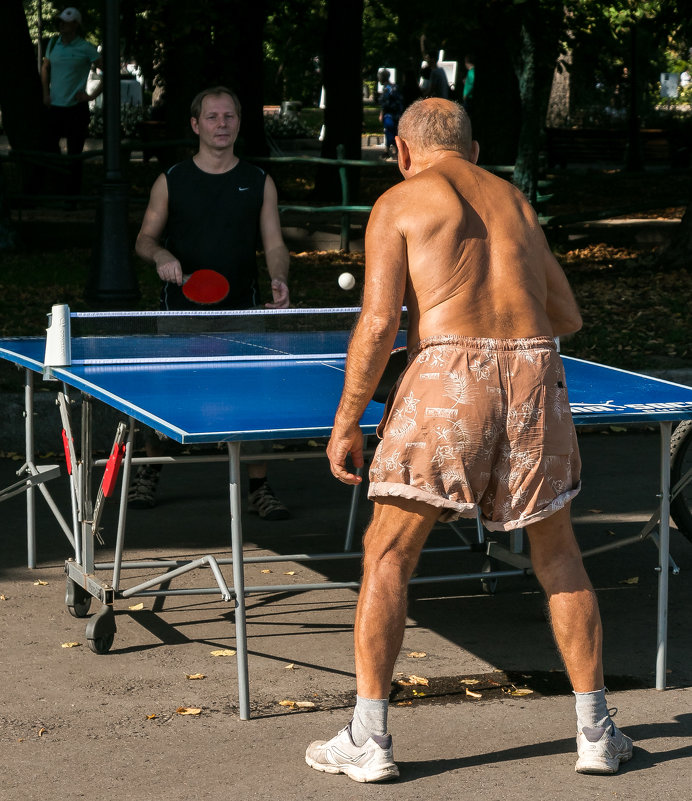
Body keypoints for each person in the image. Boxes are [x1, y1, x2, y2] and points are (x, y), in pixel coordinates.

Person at [305, 98, 633, 782]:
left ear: (400, 150)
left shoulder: (400, 200)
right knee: (559, 553)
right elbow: (565, 313)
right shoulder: (513, 200)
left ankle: (368, 737)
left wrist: (346, 421)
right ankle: (597, 731)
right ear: (475, 150)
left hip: (450, 370)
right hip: (535, 367)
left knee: (388, 552)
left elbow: (376, 325)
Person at [132, 86, 291, 520]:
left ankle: (259, 486)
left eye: (230, 116)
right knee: (163, 395)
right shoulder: (172, 179)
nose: (222, 124)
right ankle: (148, 472)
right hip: (180, 312)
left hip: (243, 310)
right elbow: (144, 239)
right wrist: (162, 254)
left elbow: (274, 244)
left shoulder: (259, 181)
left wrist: (279, 276)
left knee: (256, 400)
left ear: (240, 123)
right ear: (196, 125)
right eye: (213, 117)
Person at [41, 7, 103, 195]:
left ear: (76, 25)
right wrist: (45, 93)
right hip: (55, 107)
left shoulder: (85, 47)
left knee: (75, 154)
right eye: (59, 21)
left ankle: (72, 196)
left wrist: (91, 96)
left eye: (65, 22)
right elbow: (45, 68)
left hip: (76, 108)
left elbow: (108, 71)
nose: (61, 24)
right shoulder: (52, 44)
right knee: (50, 150)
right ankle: (57, 188)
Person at [377, 69, 404, 160]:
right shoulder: (394, 87)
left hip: (390, 115)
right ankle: (390, 151)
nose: (378, 79)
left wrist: (382, 114)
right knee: (393, 132)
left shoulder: (387, 89)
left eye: (379, 77)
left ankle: (393, 152)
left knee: (390, 132)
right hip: (396, 114)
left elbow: (385, 104)